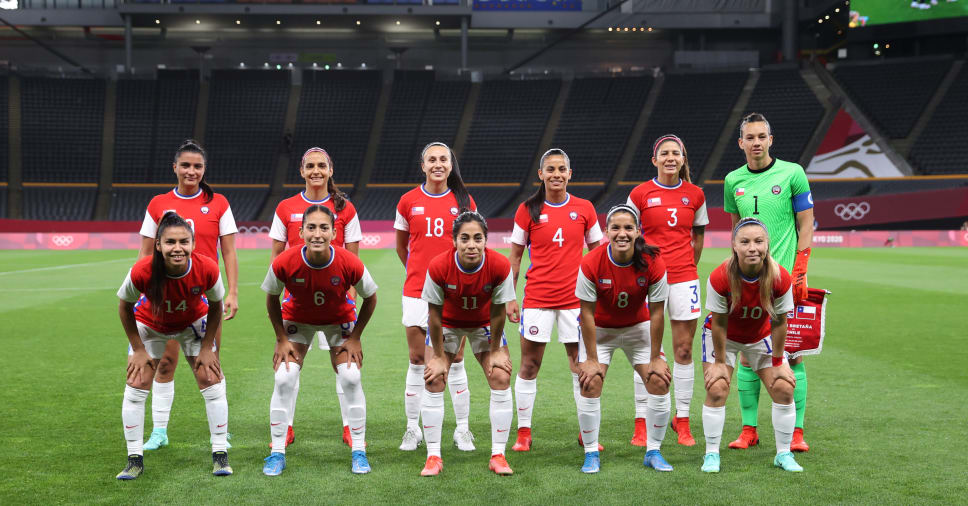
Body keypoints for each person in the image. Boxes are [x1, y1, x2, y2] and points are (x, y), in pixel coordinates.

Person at [261, 205, 378, 476]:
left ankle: (358, 450)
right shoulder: (284, 262)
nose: (317, 234)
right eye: (311, 228)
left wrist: (356, 337)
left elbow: (371, 297)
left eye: (324, 228)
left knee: (350, 377)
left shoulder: (349, 262)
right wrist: (280, 338)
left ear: (334, 232)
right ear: (301, 232)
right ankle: (277, 452)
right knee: (284, 378)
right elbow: (271, 297)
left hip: (339, 321)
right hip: (297, 320)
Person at [137, 140, 239, 451]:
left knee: (210, 363)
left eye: (197, 166)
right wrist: (146, 294)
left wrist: (232, 291)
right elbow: (144, 253)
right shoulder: (158, 204)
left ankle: (220, 433)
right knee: (164, 363)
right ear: (175, 168)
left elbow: (230, 251)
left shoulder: (218, 203)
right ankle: (160, 431)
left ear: (204, 169)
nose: (191, 171)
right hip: (165, 297)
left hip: (205, 298)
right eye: (186, 165)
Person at [723, 113, 814, 452]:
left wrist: (801, 268)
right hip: (746, 282)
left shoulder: (793, 173)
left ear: (771, 140)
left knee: (793, 354)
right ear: (741, 143)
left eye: (762, 136)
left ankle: (796, 432)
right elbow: (735, 232)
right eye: (751, 137)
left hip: (785, 279)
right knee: (748, 354)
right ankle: (749, 430)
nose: (757, 142)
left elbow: (806, 224)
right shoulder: (733, 180)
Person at [116, 212, 230, 480]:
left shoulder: (207, 268)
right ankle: (134, 459)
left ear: (192, 244)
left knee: (210, 377)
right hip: (150, 324)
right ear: (158, 245)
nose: (177, 248)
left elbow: (216, 306)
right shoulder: (143, 271)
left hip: (193, 322)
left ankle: (220, 453)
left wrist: (206, 346)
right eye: (170, 242)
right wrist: (138, 349)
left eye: (183, 242)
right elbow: (124, 306)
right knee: (136, 383)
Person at [505, 148, 603, 452]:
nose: (556, 174)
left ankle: (586, 432)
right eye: (551, 169)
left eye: (562, 169)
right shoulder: (527, 209)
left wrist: (601, 296)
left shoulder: (585, 208)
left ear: (570, 174)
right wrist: (510, 295)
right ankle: (523, 432)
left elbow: (599, 253)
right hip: (537, 299)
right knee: (530, 365)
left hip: (575, 302)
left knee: (580, 365)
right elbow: (516, 255)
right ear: (541, 174)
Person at [268, 147, 363, 449]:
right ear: (301, 171)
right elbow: (276, 256)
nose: (316, 171)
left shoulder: (345, 208)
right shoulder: (286, 207)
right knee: (290, 366)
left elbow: (353, 259)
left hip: (336, 303)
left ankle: (349, 426)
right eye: (310, 166)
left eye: (322, 165)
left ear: (330, 170)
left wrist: (348, 299)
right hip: (298, 303)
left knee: (344, 368)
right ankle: (287, 426)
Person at [698, 217, 802, 473]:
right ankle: (711, 454)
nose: (752, 247)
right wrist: (720, 363)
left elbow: (779, 322)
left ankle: (783, 453)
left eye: (758, 241)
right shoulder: (720, 277)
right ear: (734, 245)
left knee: (784, 387)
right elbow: (719, 323)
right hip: (724, 337)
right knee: (717, 388)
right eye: (745, 242)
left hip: (760, 335)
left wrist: (778, 362)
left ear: (768, 244)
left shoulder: (780, 277)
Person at [574, 204, 672, 474]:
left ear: (638, 231)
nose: (622, 233)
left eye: (628, 228)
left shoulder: (653, 261)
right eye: (615, 228)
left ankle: (653, 450)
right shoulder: (591, 262)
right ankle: (591, 453)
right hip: (601, 331)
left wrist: (655, 358)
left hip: (637, 329)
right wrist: (592, 359)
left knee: (659, 380)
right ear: (606, 231)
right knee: (590, 381)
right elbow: (587, 315)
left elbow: (657, 313)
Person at [419, 212, 517, 476]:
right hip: (448, 324)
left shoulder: (499, 266)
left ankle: (498, 455)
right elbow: (434, 316)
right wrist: (439, 356)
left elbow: (498, 312)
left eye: (477, 238)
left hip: (484, 323)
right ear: (455, 241)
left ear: (486, 240)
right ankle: (433, 457)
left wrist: (496, 350)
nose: (471, 244)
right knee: (434, 378)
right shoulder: (439, 266)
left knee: (500, 375)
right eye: (465, 238)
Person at [394, 142, 477, 452]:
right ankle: (412, 429)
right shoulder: (407, 201)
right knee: (418, 361)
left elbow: (473, 247)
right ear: (423, 165)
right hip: (416, 292)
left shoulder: (464, 200)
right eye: (432, 159)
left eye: (444, 159)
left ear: (451, 165)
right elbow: (403, 248)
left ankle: (462, 430)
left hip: (455, 293)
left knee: (455, 360)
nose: (438, 164)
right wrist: (421, 274)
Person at [627, 134, 708, 447]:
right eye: (665, 153)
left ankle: (682, 419)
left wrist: (687, 267)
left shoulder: (695, 194)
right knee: (648, 351)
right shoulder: (640, 193)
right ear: (654, 160)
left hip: (685, 279)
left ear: (683, 159)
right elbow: (628, 233)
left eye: (676, 153)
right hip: (648, 280)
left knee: (684, 351)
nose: (671, 158)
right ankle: (642, 422)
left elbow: (698, 238)